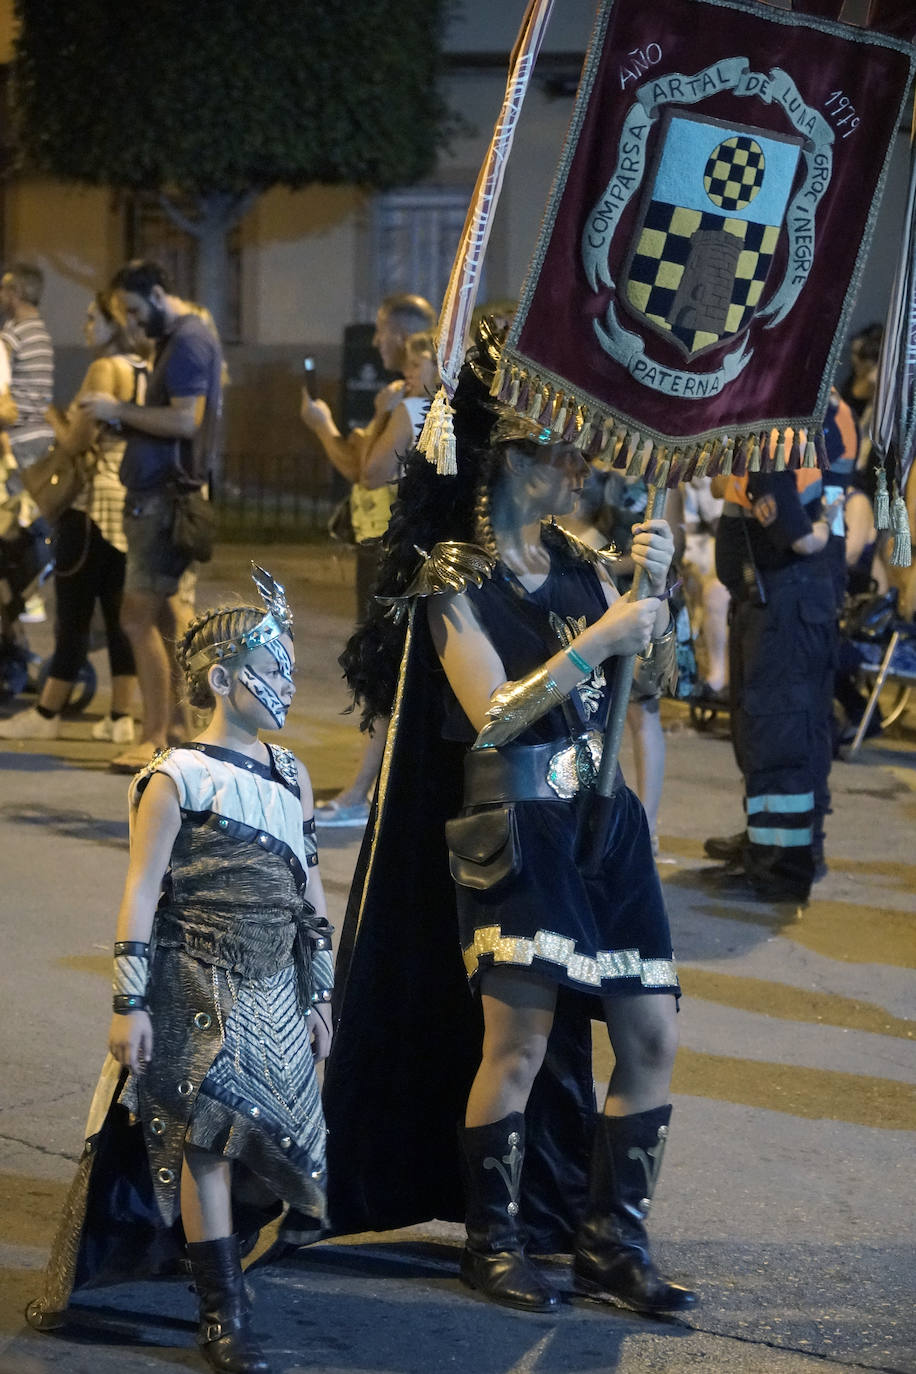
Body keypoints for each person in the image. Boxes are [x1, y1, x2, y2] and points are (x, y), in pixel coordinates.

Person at [324, 325, 695, 1317]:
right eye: (556, 447)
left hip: (601, 829)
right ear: (504, 459)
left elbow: (653, 684)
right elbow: (490, 711)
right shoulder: (452, 574)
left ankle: (614, 1242)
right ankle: (493, 1244)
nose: (578, 465)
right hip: (514, 828)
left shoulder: (585, 563)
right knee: (517, 1051)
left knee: (651, 1035)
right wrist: (602, 639)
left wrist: (662, 592)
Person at [26, 566, 333, 1374]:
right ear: (223, 678)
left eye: (291, 668)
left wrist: (322, 986)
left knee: (272, 1143)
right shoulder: (172, 778)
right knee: (204, 1144)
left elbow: (310, 886)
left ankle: (221, 1268)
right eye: (273, 670)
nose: (287, 684)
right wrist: (130, 1007)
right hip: (193, 982)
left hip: (274, 982)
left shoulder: (292, 775)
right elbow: (139, 896)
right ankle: (220, 1310)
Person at [79, 260, 223, 772]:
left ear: (160, 294)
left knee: (136, 618)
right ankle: (179, 731)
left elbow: (186, 419)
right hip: (158, 495)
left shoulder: (187, 340)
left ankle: (157, 737)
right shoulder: (176, 338)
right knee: (161, 617)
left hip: (162, 500)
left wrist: (115, 410)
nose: (134, 324)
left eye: (136, 311)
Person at [300, 293, 435, 826]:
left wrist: (358, 421)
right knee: (403, 669)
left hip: (393, 545)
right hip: (409, 545)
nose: (376, 342)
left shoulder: (407, 407)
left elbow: (368, 471)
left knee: (386, 666)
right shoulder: (421, 406)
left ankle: (363, 793)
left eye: (383, 332)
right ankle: (381, 787)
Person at [0, 291, 144, 742]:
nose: (84, 327)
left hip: (91, 505)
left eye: (91, 319)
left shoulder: (104, 369)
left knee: (74, 612)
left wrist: (53, 417)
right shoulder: (145, 367)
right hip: (129, 499)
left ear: (112, 323)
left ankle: (47, 714)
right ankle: (121, 718)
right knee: (120, 613)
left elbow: (77, 440)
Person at [704, 455, 839, 901]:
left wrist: (820, 535)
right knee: (775, 730)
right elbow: (719, 484)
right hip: (777, 603)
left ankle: (778, 865)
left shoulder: (775, 445)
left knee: (777, 733)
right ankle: (770, 847)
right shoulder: (773, 441)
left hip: (782, 606)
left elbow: (799, 539)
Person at [0, 261, 55, 473]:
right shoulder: (42, 333)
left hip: (17, 438)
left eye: (3, 288)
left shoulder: (12, 335)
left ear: (16, 292)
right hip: (43, 434)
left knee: (11, 504)